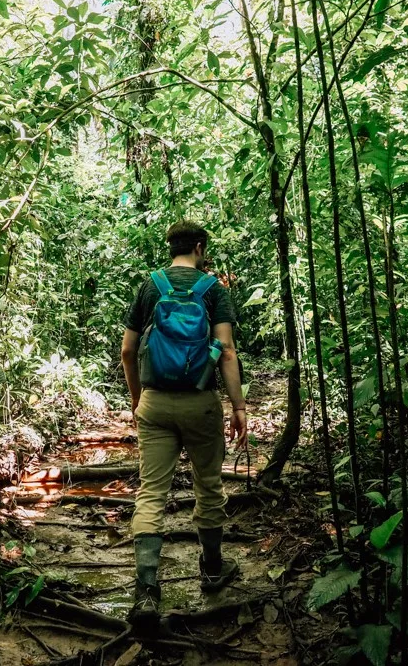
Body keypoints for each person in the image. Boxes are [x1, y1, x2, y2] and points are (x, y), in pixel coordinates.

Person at [121, 220, 249, 628]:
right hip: (200, 403)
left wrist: (139, 398)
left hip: (155, 403)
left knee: (151, 492)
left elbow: (127, 350)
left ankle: (146, 593)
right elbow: (225, 351)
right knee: (208, 485)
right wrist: (239, 406)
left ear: (170, 247)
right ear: (199, 247)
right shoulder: (213, 290)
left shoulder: (149, 287)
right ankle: (212, 569)